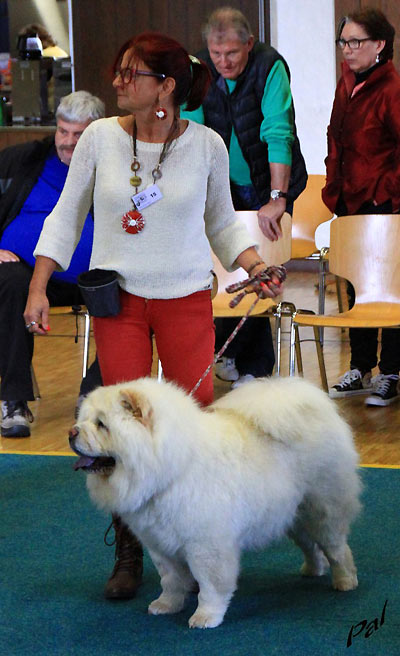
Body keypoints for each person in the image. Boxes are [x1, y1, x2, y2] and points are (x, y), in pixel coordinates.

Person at [24, 32, 283, 601]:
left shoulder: (207, 144)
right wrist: (38, 285)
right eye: (119, 70)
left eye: (131, 74)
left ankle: (201, 539)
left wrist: (255, 265)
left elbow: (222, 221)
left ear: (166, 87)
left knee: (197, 422)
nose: (118, 81)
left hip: (186, 297)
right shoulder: (98, 138)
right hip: (117, 302)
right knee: (117, 426)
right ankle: (130, 548)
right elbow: (65, 216)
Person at [182, 7, 307, 387]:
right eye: (216, 53)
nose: (223, 62)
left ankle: (251, 364)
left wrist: (277, 197)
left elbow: (278, 132)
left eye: (232, 53)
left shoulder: (270, 67)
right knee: (226, 270)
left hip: (267, 183)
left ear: (249, 44)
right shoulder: (199, 69)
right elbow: (193, 134)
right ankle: (238, 357)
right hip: (224, 186)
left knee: (259, 269)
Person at [0, 90, 105, 438]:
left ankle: (93, 392)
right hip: (25, 273)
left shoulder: (114, 166)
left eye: (78, 134)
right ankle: (13, 400)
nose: (68, 142)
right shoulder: (24, 160)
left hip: (91, 276)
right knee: (10, 283)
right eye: (63, 131)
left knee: (132, 292)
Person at [322, 8, 400, 406]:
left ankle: (392, 372)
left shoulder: (392, 88)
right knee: (357, 284)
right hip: (350, 199)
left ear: (379, 44)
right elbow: (335, 137)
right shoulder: (347, 82)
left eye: (356, 42)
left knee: (389, 287)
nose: (347, 49)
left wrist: (386, 193)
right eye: (344, 42)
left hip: (384, 204)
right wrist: (333, 186)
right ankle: (360, 366)